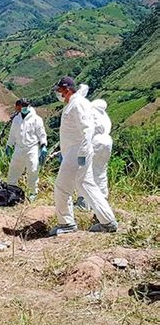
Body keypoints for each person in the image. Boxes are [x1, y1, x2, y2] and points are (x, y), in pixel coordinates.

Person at [51, 77, 118, 236]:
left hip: (77, 151)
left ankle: (66, 223)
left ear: (67, 89)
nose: (58, 94)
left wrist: (81, 153)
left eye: (59, 90)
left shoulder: (78, 103)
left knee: (61, 187)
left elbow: (87, 129)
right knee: (86, 184)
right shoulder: (73, 103)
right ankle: (108, 222)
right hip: (74, 151)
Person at [5, 98, 48, 201]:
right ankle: (11, 190)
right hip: (19, 148)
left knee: (33, 170)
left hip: (31, 148)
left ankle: (32, 192)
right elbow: (12, 134)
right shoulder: (16, 119)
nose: (20, 109)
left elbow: (41, 134)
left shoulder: (36, 119)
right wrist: (9, 145)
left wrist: (43, 146)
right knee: (13, 169)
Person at [76, 97, 113, 209]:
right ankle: (102, 200)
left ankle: (84, 201)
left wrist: (81, 153)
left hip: (94, 142)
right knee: (101, 171)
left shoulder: (90, 112)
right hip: (107, 142)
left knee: (85, 171)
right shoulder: (104, 116)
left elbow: (86, 132)